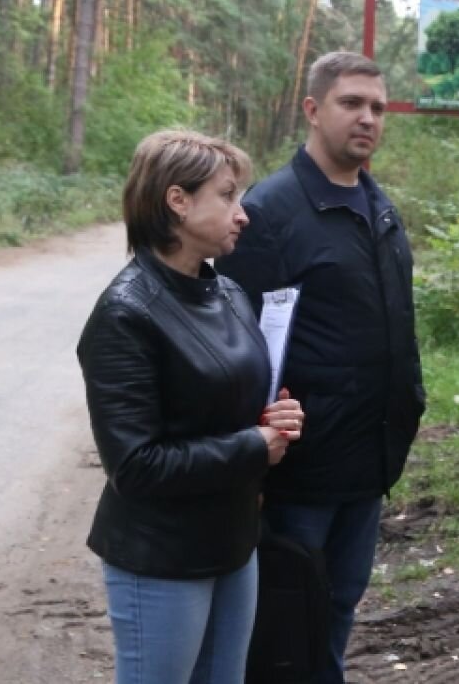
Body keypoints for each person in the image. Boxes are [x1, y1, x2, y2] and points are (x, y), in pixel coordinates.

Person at [215, 51, 425, 684]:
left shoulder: (378, 206)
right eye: (351, 103)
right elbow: (234, 343)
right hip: (298, 474)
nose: (368, 118)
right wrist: (249, 459)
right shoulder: (270, 214)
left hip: (368, 463)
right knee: (286, 630)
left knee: (335, 614)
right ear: (312, 109)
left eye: (379, 108)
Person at [77, 129, 305, 684]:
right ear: (177, 201)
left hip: (233, 541)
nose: (242, 213)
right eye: (227, 195)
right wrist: (253, 446)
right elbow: (135, 466)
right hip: (161, 554)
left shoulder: (224, 291)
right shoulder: (125, 315)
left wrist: (272, 418)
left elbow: (232, 401)